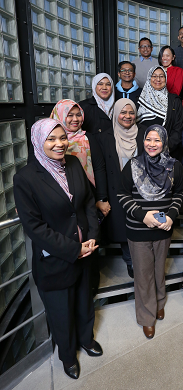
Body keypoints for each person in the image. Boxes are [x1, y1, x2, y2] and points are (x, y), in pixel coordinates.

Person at [13, 119, 102, 380]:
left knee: (85, 301)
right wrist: (74, 249)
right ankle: (68, 356)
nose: (60, 144)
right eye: (51, 139)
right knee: (61, 311)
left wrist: (93, 237)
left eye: (62, 137)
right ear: (39, 141)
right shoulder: (26, 178)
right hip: (56, 259)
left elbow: (87, 201)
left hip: (86, 250)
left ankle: (87, 340)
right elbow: (35, 228)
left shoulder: (73, 163)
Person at [118, 125, 183, 339]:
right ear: (143, 141)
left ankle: (159, 302)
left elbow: (180, 193)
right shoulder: (133, 165)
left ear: (164, 142)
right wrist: (142, 215)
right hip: (138, 229)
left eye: (157, 140)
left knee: (158, 270)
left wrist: (172, 216)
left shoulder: (175, 166)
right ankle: (147, 316)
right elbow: (122, 194)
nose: (152, 144)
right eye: (148, 139)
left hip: (163, 228)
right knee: (143, 274)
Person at [50, 99, 110, 292]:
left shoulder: (89, 137)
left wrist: (101, 198)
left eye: (78, 115)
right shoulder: (47, 139)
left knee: (90, 237)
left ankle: (90, 284)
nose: (75, 119)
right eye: (70, 115)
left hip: (88, 198)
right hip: (61, 201)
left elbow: (100, 168)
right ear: (60, 115)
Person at [97, 98, 146, 278]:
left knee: (141, 224)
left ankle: (142, 259)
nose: (127, 116)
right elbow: (100, 168)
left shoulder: (144, 134)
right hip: (117, 189)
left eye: (131, 112)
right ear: (116, 114)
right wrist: (102, 197)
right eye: (123, 112)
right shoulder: (105, 137)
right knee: (123, 226)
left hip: (141, 190)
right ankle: (130, 261)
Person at [137, 65, 183, 159]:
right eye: (154, 76)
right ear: (149, 78)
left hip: (168, 153)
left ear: (166, 78)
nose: (158, 79)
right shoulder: (139, 100)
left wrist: (165, 147)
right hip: (143, 153)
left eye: (161, 76)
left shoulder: (174, 101)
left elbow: (178, 128)